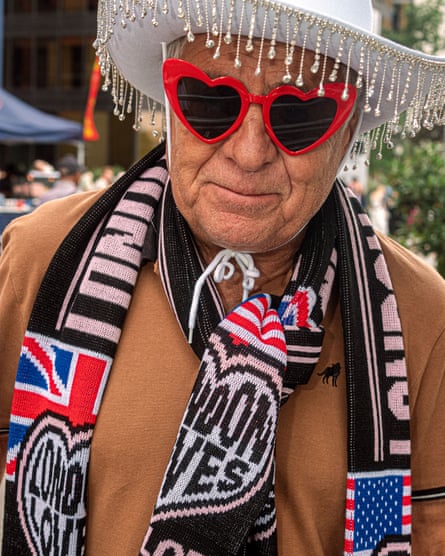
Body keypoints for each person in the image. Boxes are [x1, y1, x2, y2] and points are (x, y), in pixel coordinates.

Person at [1, 0, 445, 554]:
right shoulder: (42, 260)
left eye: (299, 115)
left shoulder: (420, 315)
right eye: (209, 101)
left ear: (348, 126)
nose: (249, 151)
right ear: (168, 101)